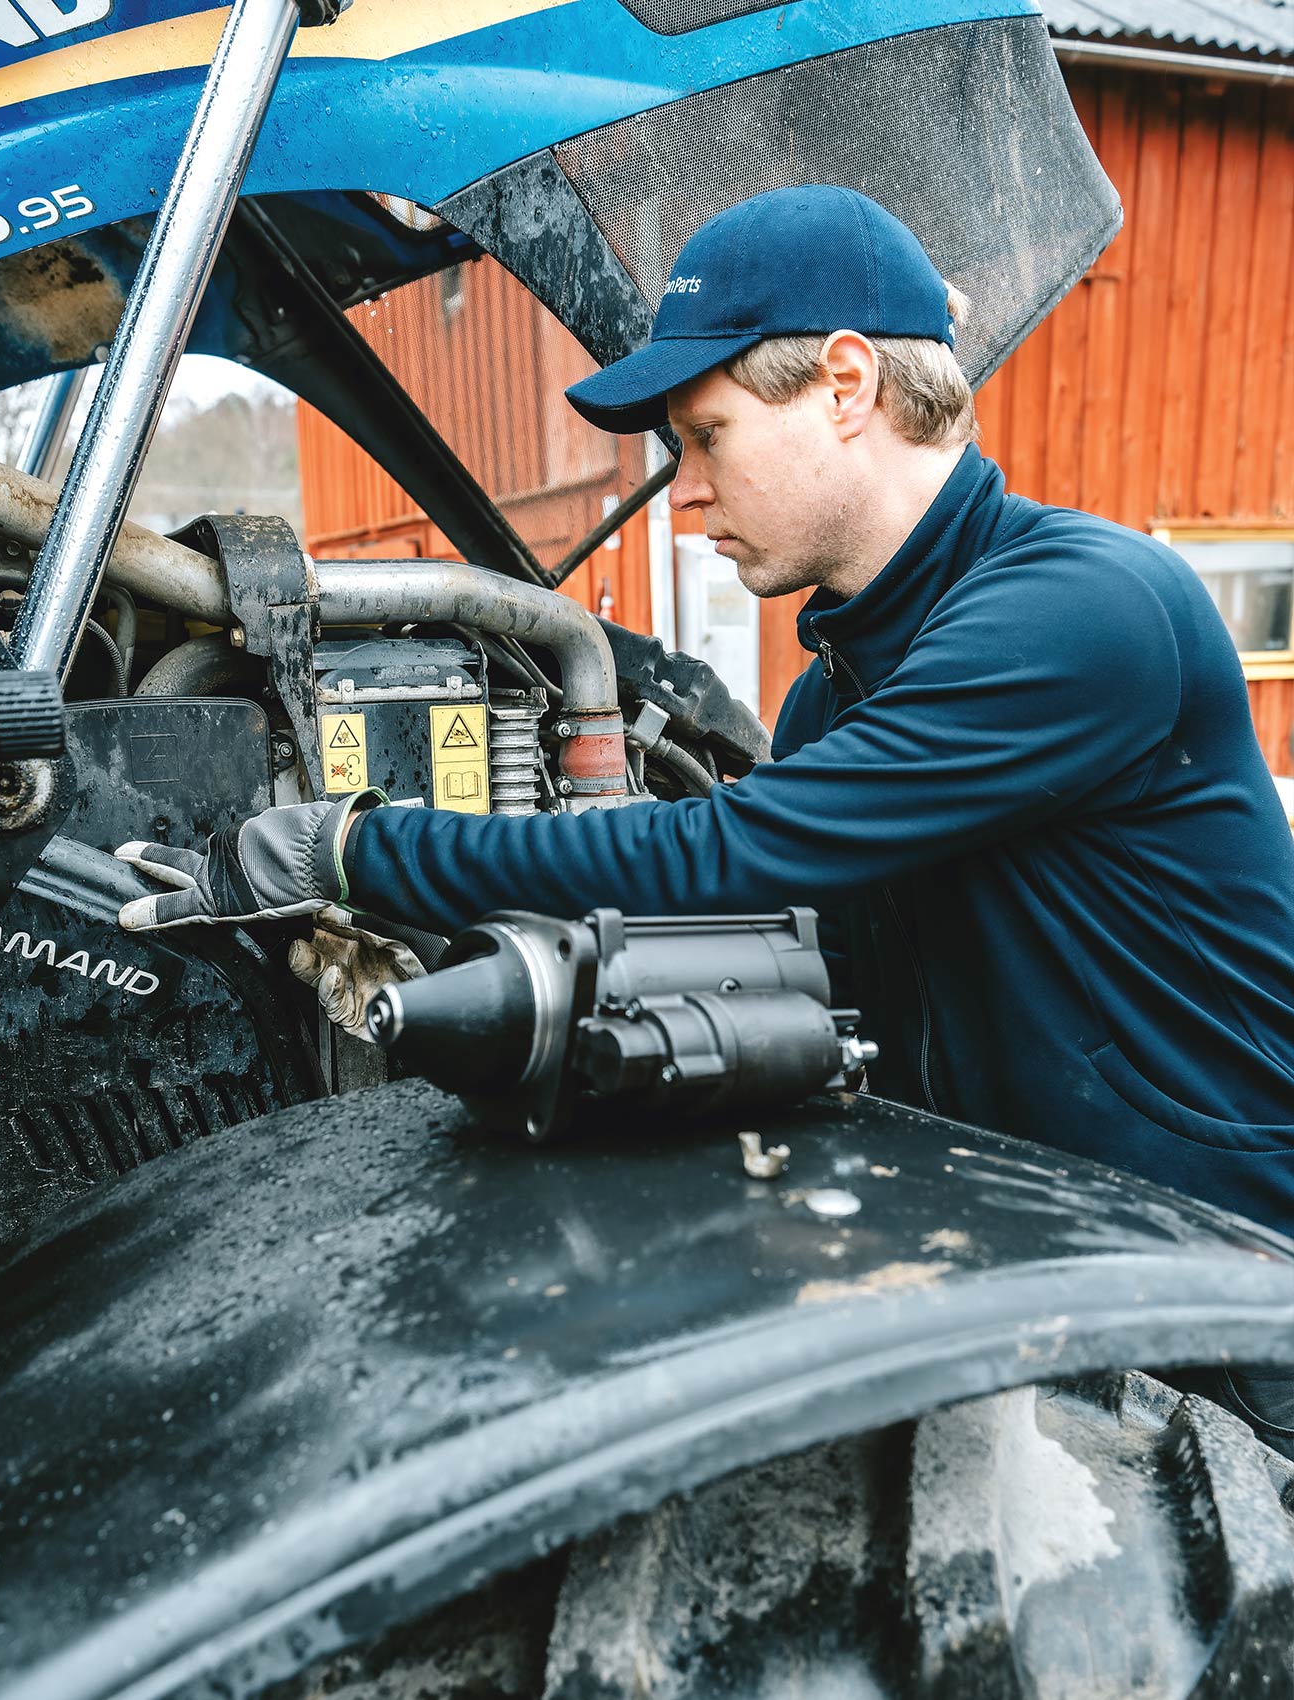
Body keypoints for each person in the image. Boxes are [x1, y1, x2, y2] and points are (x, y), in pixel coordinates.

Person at [115, 185, 1294, 1246]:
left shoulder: (1082, 611)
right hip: (1011, 1229)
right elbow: (803, 959)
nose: (683, 492)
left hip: (1210, 1263)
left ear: (844, 385)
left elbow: (728, 855)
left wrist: (353, 846)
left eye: (705, 435)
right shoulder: (831, 687)